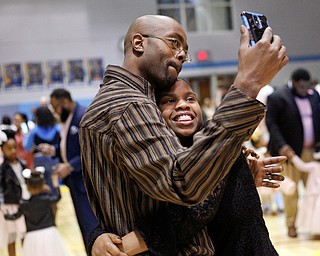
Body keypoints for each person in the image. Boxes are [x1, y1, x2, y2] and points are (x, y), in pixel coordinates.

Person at [79, 14, 288, 255]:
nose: (181, 54)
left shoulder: (133, 101)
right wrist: (247, 83)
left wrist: (234, 172)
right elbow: (183, 183)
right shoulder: (129, 104)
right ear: (139, 43)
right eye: (174, 42)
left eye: (184, 50)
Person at [96, 78, 284, 256]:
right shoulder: (156, 160)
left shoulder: (217, 146)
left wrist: (119, 248)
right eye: (168, 100)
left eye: (190, 98)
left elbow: (189, 216)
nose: (183, 104)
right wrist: (96, 235)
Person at [38, 88, 99, 252]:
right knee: (85, 226)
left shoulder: (82, 116)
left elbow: (91, 152)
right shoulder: (68, 119)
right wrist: (54, 150)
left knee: (92, 225)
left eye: (55, 107)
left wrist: (70, 165)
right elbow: (71, 148)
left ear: (64, 101)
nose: (54, 112)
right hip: (75, 182)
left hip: (85, 184)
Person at [266, 68, 320, 238]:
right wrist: (282, 146)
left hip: (311, 151)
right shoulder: (278, 97)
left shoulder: (313, 96)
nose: (304, 89)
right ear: (295, 82)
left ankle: (315, 224)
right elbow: (272, 124)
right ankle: (291, 225)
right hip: (290, 153)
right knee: (292, 191)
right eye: (301, 86)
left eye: (307, 86)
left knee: (315, 190)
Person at [4, 168, 70, 256]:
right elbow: (58, 197)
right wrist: (55, 184)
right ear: (43, 185)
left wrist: (6, 215)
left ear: (27, 187)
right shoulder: (47, 199)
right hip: (50, 234)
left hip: (32, 237)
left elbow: (15, 216)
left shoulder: (24, 204)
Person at [0, 129, 28, 256]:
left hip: (24, 201)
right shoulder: (3, 168)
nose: (13, 151)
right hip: (10, 204)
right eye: (8, 148)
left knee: (24, 233)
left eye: (14, 148)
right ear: (2, 150)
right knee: (11, 237)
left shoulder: (22, 164)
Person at [24, 106, 61, 193]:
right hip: (54, 160)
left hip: (39, 161)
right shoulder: (57, 129)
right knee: (54, 184)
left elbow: (27, 147)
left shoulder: (34, 131)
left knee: (40, 185)